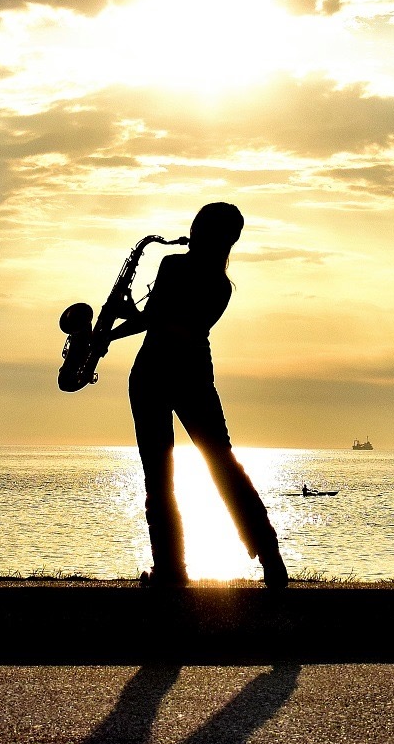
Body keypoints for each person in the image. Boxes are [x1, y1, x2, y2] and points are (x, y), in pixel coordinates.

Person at [101, 202, 287, 589]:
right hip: (194, 377)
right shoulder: (221, 287)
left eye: (199, 225)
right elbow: (166, 320)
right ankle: (270, 558)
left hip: (152, 374)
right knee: (223, 463)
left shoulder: (174, 266)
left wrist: (108, 330)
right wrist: (118, 323)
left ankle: (171, 572)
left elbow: (155, 321)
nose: (192, 231)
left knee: (159, 477)